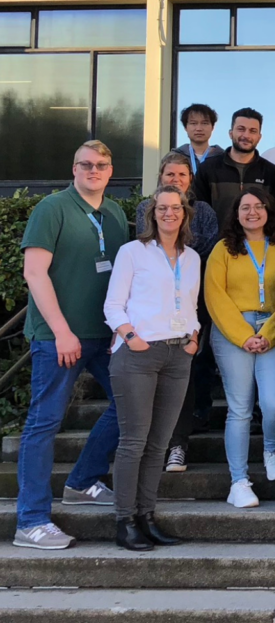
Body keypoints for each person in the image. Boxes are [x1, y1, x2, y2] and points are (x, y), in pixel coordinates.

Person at [14, 141, 129, 550]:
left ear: (111, 171)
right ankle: (30, 520)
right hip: (58, 338)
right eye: (86, 165)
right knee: (44, 424)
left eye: (101, 165)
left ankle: (82, 480)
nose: (93, 171)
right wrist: (61, 330)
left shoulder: (114, 212)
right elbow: (35, 272)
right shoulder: (52, 208)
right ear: (74, 168)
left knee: (128, 403)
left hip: (103, 334)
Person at [103, 185, 200, 550]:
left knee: (159, 444)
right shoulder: (133, 252)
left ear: (184, 213)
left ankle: (147, 516)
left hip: (178, 356)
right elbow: (113, 305)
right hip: (138, 355)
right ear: (152, 213)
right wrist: (130, 337)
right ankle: (124, 520)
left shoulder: (192, 258)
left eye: (175, 208)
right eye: (162, 208)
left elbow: (189, 304)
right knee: (134, 442)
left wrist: (195, 337)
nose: (169, 213)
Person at [205, 186, 275, 508]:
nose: (252, 212)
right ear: (236, 213)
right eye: (245, 207)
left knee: (274, 403)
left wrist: (269, 333)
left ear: (269, 210)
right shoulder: (223, 249)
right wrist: (243, 334)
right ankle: (239, 480)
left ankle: (272, 449)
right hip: (234, 333)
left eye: (259, 206)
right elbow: (215, 296)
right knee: (240, 408)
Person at [134, 152, 218, 474]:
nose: (176, 180)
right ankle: (154, 443)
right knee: (152, 375)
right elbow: (143, 249)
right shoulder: (145, 208)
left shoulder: (205, 212)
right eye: (170, 174)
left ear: (190, 179)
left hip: (191, 303)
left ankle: (178, 446)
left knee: (186, 371)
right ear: (161, 176)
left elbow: (206, 249)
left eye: (182, 175)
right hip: (152, 307)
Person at [193, 108, 275, 229]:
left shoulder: (271, 173)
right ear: (231, 133)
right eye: (241, 129)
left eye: (253, 131)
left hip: (259, 246)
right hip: (217, 246)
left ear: (259, 137)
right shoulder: (208, 169)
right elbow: (198, 214)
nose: (246, 135)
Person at [174, 103, 223, 176]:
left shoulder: (223, 158)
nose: (199, 128)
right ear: (185, 127)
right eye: (193, 123)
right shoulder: (174, 157)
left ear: (212, 127)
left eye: (204, 123)